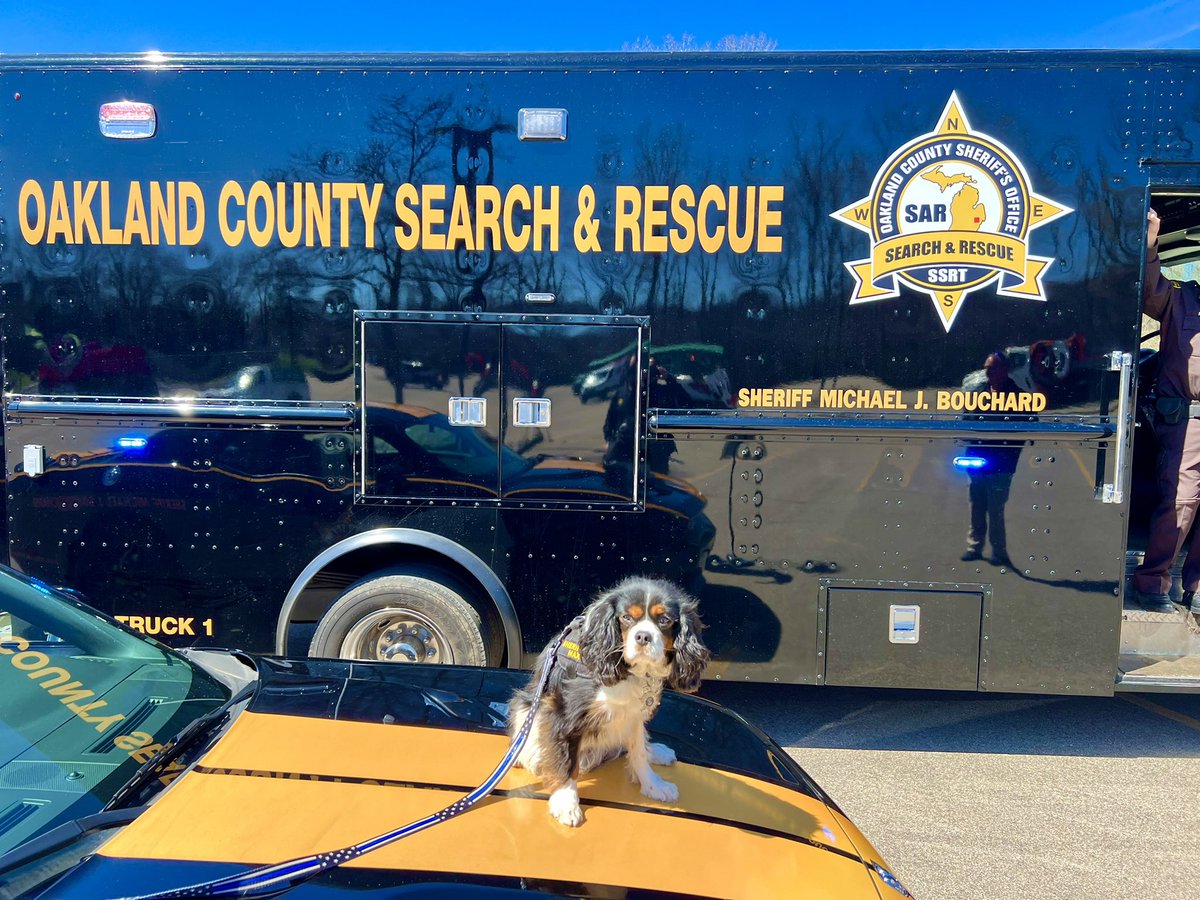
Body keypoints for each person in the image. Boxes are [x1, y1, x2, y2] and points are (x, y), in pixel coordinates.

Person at [1133, 207, 1200, 614]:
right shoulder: (1182, 297)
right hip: (1189, 419)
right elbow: (1148, 290)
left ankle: (1194, 588)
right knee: (1180, 501)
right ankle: (1153, 581)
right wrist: (1151, 240)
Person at [961, 351, 1024, 567]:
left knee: (996, 510)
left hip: (1001, 465)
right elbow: (965, 421)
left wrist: (1009, 456)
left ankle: (999, 552)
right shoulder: (978, 393)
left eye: (993, 368)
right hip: (977, 462)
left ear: (1004, 370)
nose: (988, 372)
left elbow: (1025, 432)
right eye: (986, 368)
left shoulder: (1019, 396)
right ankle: (974, 547)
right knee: (976, 506)